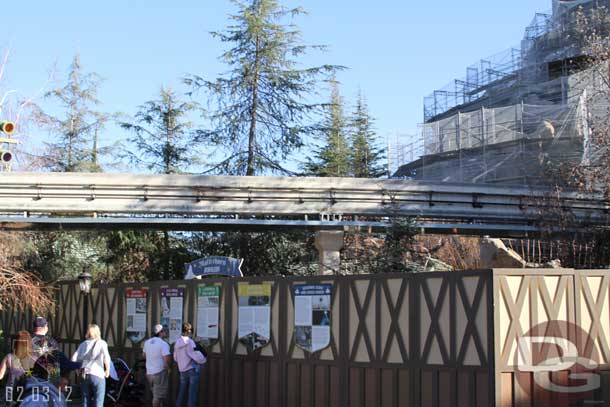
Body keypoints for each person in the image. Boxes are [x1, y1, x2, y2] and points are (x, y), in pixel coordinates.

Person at [71, 324, 111, 407]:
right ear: (98, 332)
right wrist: (107, 370)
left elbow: (73, 359)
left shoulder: (83, 344)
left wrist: (78, 371)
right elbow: (106, 358)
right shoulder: (102, 343)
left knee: (85, 401)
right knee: (98, 402)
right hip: (97, 374)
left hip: (85, 375)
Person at [173, 322, 206, 407]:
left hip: (182, 370)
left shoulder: (177, 342)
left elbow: (175, 358)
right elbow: (196, 356)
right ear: (189, 331)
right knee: (192, 394)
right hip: (192, 370)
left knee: (181, 392)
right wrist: (203, 359)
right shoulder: (190, 342)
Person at [0, 331, 36, 402]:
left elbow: (0, 375)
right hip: (28, 398)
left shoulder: (9, 357)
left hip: (10, 398)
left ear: (16, 343)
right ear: (29, 343)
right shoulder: (35, 359)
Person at [143, 324, 171, 407]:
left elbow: (144, 355)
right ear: (160, 332)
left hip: (149, 372)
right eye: (164, 331)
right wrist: (168, 369)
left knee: (156, 393)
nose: (166, 332)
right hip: (159, 372)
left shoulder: (147, 342)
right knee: (157, 397)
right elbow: (167, 360)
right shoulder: (163, 344)